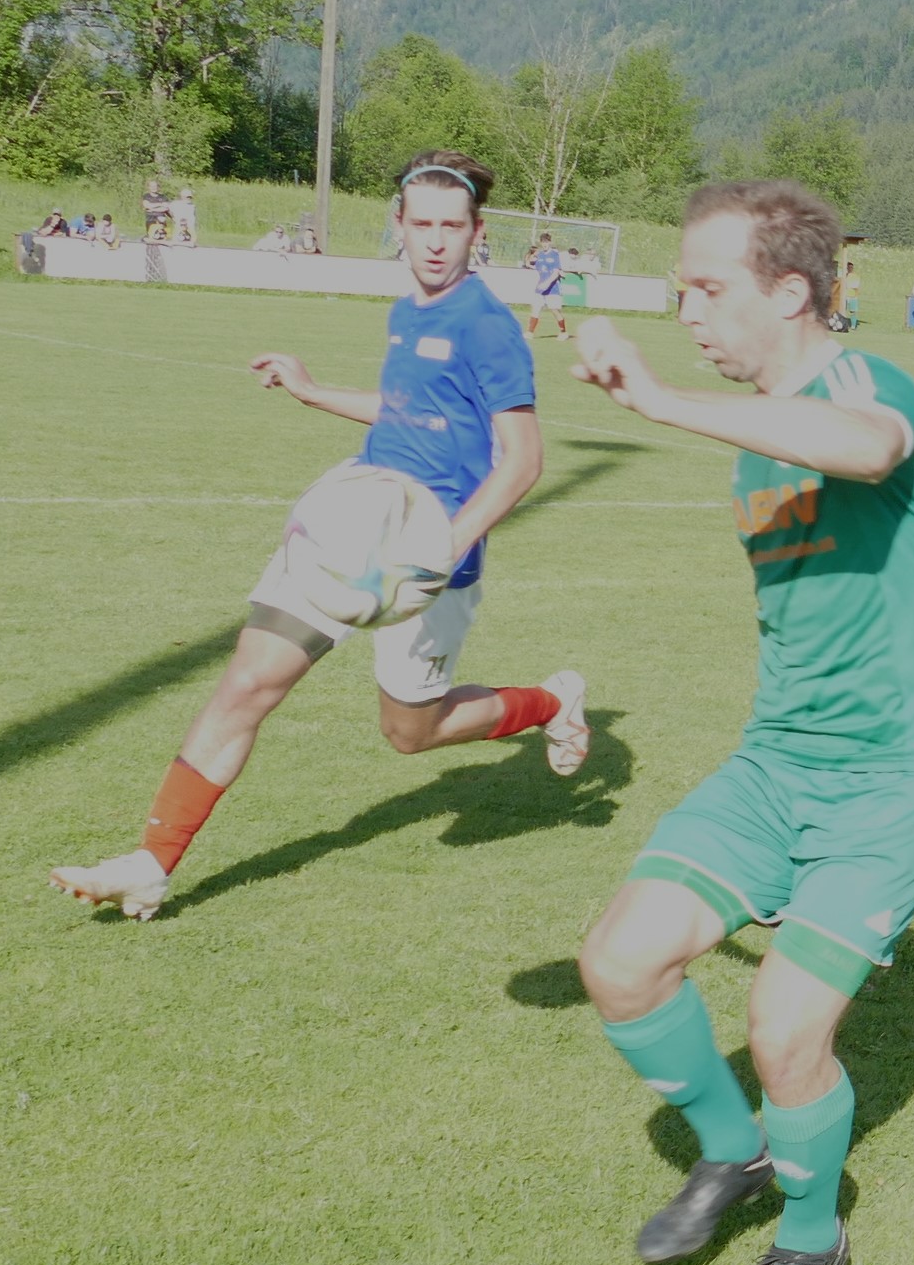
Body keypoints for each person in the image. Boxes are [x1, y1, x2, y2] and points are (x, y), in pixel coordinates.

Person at [572, 179, 914, 1265]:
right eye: (680, 291)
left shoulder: (866, 386)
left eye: (708, 289)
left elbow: (869, 447)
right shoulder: (756, 443)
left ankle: (810, 1238)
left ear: (791, 292)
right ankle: (736, 1152)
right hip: (778, 761)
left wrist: (660, 401)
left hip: (897, 772)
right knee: (620, 964)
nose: (686, 313)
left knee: (785, 1029)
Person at [48, 149, 591, 922]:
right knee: (247, 681)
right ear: (399, 226)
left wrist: (444, 546)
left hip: (428, 561)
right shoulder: (408, 310)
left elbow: (524, 459)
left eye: (453, 226)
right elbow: (404, 408)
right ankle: (149, 864)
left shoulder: (488, 327)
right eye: (422, 224)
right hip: (349, 528)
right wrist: (311, 391)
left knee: (411, 732)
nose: (436, 241)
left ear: (478, 233)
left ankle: (550, 701)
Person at [527, 231, 569, 341]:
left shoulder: (554, 255)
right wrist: (530, 260)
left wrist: (547, 283)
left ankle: (563, 332)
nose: (545, 244)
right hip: (540, 287)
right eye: (543, 242)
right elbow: (535, 266)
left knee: (554, 310)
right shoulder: (540, 255)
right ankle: (530, 332)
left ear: (550, 242)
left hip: (552, 288)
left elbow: (555, 272)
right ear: (540, 243)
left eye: (546, 242)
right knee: (536, 308)